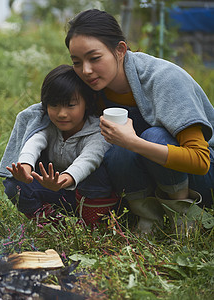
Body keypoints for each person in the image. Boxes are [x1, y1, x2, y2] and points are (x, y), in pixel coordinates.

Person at [65, 9, 214, 234]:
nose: (86, 70)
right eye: (77, 62)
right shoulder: (91, 89)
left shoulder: (164, 79)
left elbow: (200, 161)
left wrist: (133, 143)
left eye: (95, 58)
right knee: (113, 147)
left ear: (120, 50)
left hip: (202, 179)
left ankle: (184, 216)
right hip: (152, 175)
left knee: (153, 137)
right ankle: (147, 218)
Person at [0, 64, 118, 226]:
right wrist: (25, 169)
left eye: (70, 105)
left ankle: (93, 225)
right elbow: (34, 142)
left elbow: (88, 160)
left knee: (96, 174)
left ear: (87, 103)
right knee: (14, 186)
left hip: (89, 195)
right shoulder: (48, 125)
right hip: (57, 189)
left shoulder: (98, 131)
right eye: (54, 105)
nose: (62, 114)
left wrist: (63, 180)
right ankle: (51, 223)